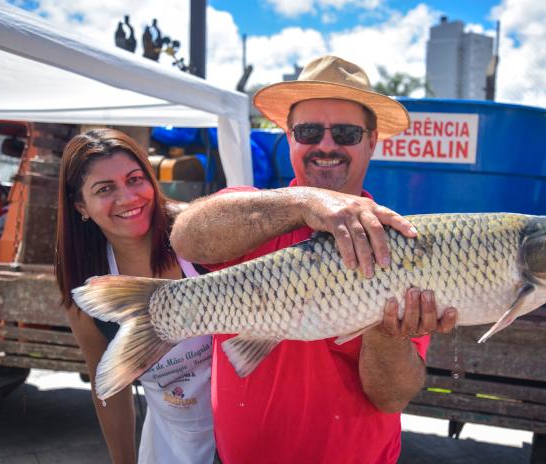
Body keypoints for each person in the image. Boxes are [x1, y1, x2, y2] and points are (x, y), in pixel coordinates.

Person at [170, 55, 458, 463]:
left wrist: (387, 335)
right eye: (308, 131)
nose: (326, 145)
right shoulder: (251, 212)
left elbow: (391, 398)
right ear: (289, 137)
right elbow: (185, 237)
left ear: (371, 141)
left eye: (345, 132)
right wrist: (304, 201)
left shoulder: (401, 243)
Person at [54, 128, 215, 463]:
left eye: (134, 179)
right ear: (81, 206)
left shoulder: (200, 237)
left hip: (246, 435)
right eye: (105, 189)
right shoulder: (89, 290)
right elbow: (109, 391)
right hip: (172, 446)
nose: (127, 197)